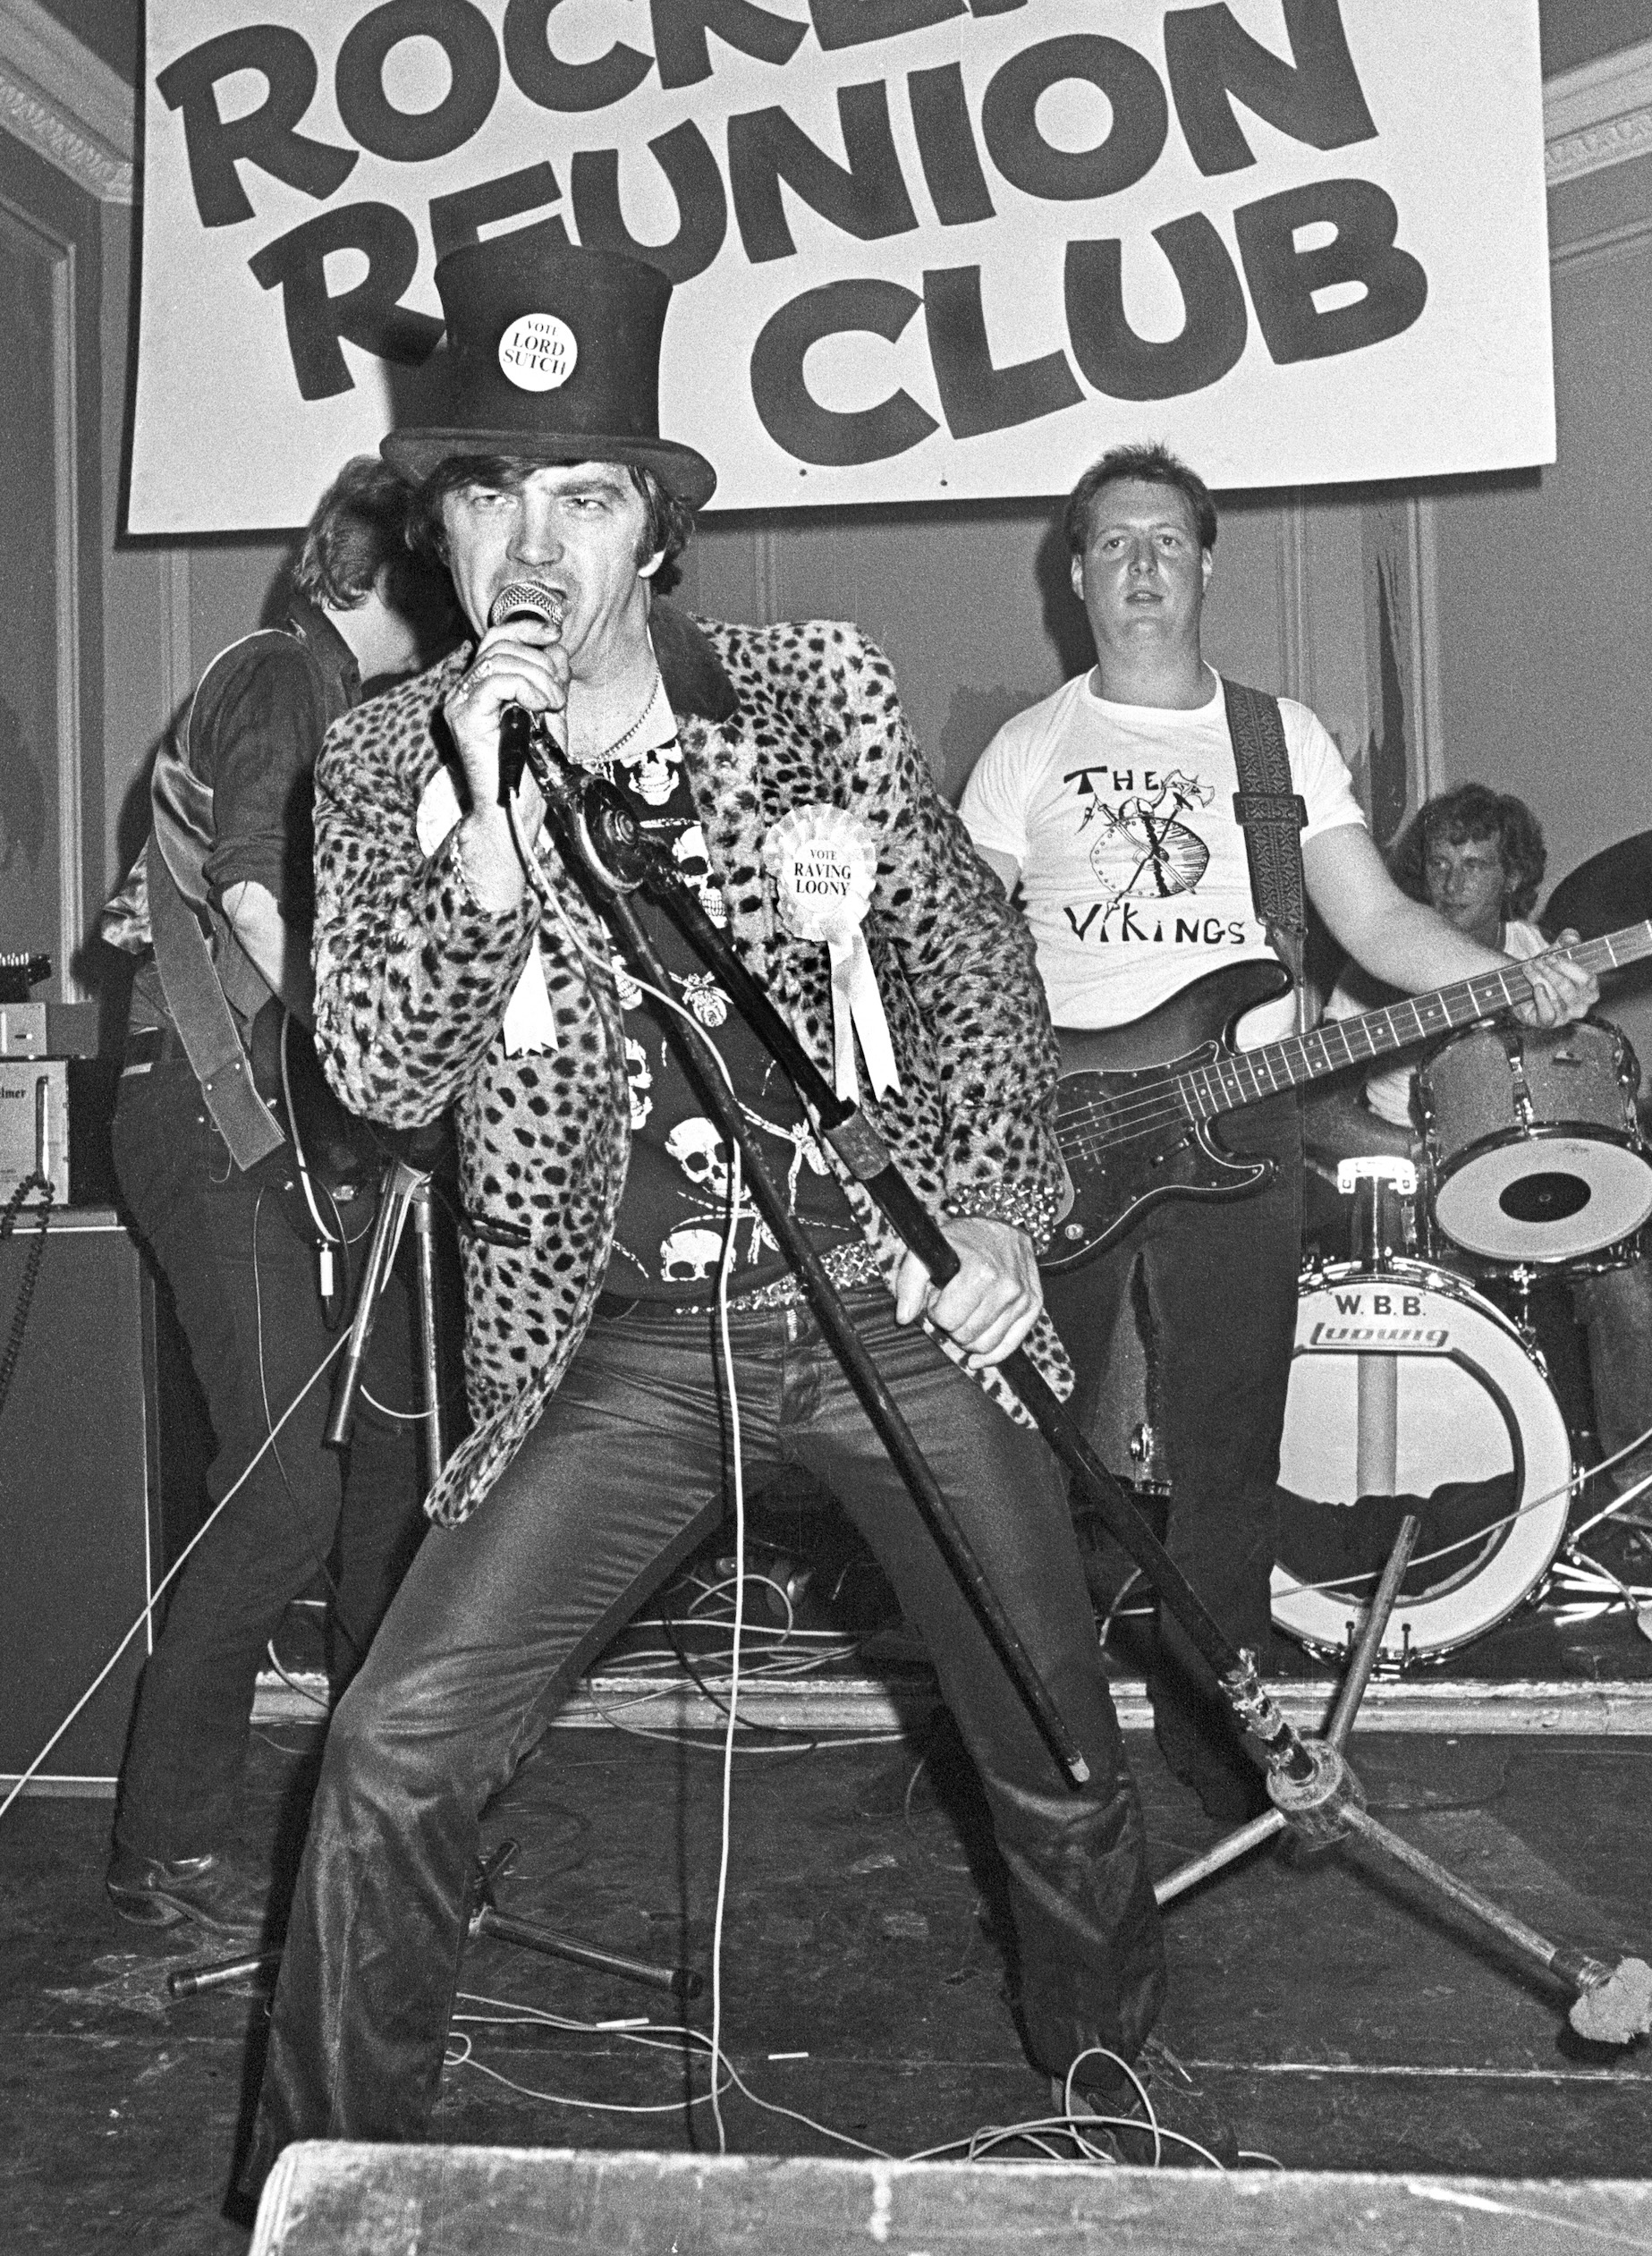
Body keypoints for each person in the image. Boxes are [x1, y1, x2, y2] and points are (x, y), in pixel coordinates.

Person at [244, 240, 1165, 2181]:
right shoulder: (383, 762)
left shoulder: (808, 689)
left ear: (654, 530)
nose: (532, 543)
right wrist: (481, 839)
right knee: (392, 1749)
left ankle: (1111, 2113)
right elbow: (385, 1078)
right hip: (617, 1351)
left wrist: (994, 1215)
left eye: (582, 497)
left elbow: (967, 962)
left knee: (1059, 1745)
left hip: (874, 1295)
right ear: (439, 528)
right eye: (490, 494)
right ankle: (324, 2191)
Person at [959, 443, 1595, 1822]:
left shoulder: (1279, 738)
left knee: (1228, 1447)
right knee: (1026, 1444)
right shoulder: (1029, 747)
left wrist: (1512, 979)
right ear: (1074, 575)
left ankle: (1215, 1726)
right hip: (1051, 1130)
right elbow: (953, 951)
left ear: (1204, 562)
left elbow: (1371, 923)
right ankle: (1040, 1739)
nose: (1140, 563)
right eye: (1113, 540)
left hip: (1240, 1122)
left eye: (1168, 538)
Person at [99, 458, 464, 1940]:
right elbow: (255, 885)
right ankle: (164, 1841)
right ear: (383, 568)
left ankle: (394, 1808)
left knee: (384, 1462)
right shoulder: (275, 676)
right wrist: (379, 1061)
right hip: (212, 1126)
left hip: (277, 1131)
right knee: (284, 1486)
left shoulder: (347, 712)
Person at [1309, 783, 1652, 1504]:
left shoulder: (1542, 957)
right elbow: (1311, 1114)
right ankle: (1459, 1497)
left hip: (1533, 1176)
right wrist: (1414, 1155)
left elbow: (1594, 1089)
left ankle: (1647, 1490)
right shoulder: (1379, 969)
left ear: (1512, 877)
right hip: (1418, 1195)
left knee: (1624, 1264)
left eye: (1473, 864)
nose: (1450, 884)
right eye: (1439, 865)